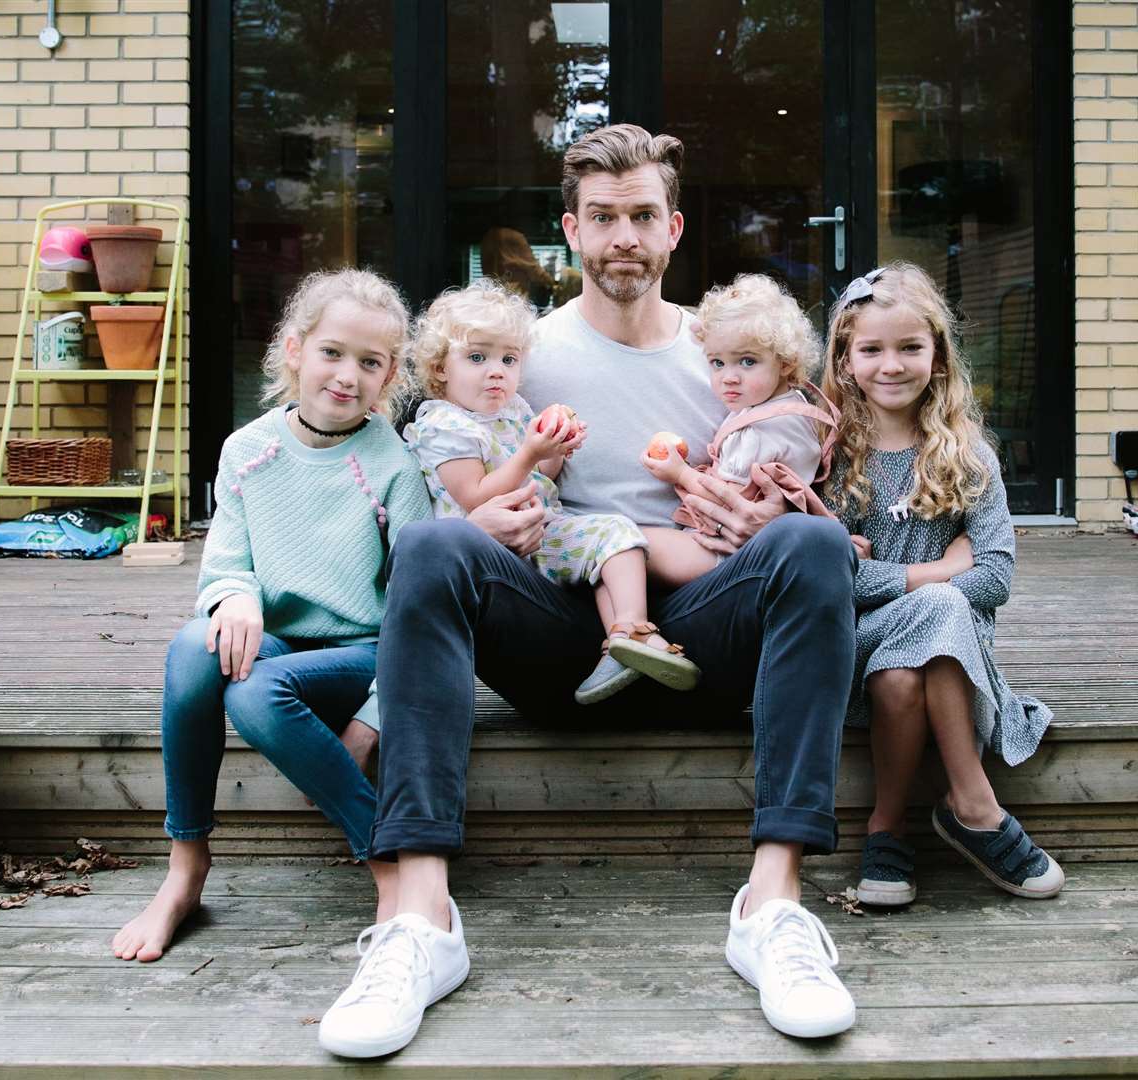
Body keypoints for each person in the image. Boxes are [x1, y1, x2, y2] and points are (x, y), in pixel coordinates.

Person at [316, 124, 859, 1059]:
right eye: (602, 218)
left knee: (811, 545)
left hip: (703, 631)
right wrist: (482, 524)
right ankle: (420, 919)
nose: (624, 239)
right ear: (572, 230)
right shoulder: (527, 353)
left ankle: (772, 907)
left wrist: (771, 517)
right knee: (439, 545)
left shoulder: (726, 351)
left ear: (675, 227)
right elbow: (438, 477)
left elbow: (802, 468)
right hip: (562, 634)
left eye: (642, 216)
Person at [112, 268, 431, 964]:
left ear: (390, 377)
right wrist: (237, 597)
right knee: (194, 648)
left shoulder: (393, 468)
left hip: (361, 657)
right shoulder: (245, 450)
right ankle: (186, 864)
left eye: (370, 363)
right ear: (294, 350)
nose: (348, 375)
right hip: (280, 641)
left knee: (256, 690)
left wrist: (373, 717)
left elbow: (418, 618)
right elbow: (225, 563)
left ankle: (385, 859)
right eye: (333, 352)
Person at [818, 262, 1062, 909]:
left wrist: (923, 583)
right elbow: (835, 581)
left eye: (909, 348)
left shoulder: (968, 454)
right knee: (939, 601)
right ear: (845, 360)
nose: (890, 364)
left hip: (947, 657)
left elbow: (997, 578)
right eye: (871, 349)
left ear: (938, 355)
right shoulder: (832, 456)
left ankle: (886, 828)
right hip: (861, 642)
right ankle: (973, 803)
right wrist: (937, 571)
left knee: (913, 660)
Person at [401, 277, 700, 704]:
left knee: (617, 536)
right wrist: (528, 452)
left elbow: (544, 471)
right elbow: (475, 495)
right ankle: (632, 635)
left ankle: (627, 635)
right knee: (612, 536)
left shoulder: (514, 409)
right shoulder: (445, 425)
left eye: (508, 358)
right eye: (477, 357)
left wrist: (557, 443)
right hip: (494, 557)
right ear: (440, 368)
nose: (496, 371)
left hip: (544, 532)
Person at [640, 271, 840, 589]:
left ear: (786, 361)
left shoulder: (768, 428)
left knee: (627, 544)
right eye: (718, 363)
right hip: (733, 548)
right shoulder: (774, 405)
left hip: (730, 555)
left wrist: (680, 474)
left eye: (747, 362)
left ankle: (631, 627)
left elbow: (729, 504)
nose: (729, 377)